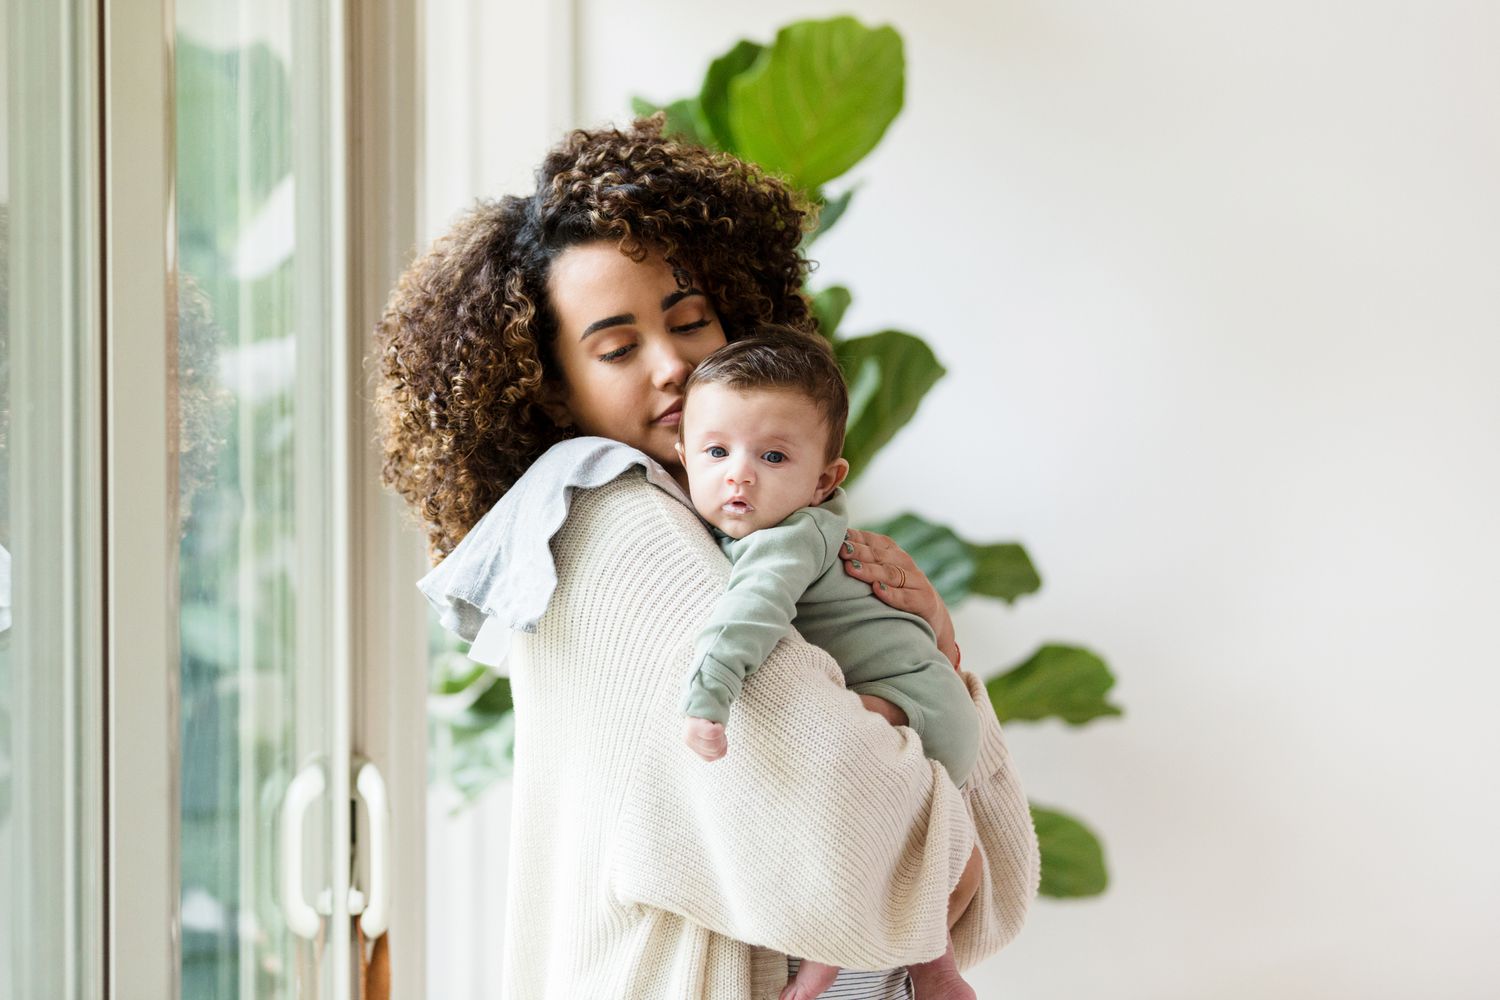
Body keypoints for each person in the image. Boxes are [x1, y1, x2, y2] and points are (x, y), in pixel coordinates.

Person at [377, 117, 1039, 1000]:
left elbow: (985, 893)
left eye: (691, 321)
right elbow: (888, 864)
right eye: (617, 349)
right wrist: (935, 734)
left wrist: (937, 654)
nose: (676, 367)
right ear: (546, 385)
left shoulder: (733, 527)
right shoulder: (617, 521)